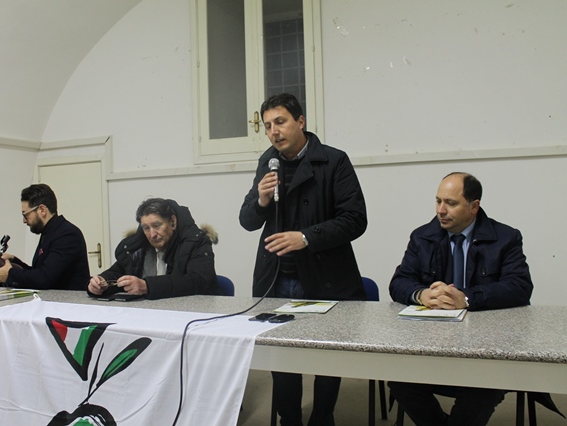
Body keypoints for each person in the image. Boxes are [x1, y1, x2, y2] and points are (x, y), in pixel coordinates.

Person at [239, 93, 367, 426]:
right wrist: (261, 200)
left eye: (280, 122)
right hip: (277, 278)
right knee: (282, 359)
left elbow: (355, 219)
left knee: (326, 356)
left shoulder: (334, 160)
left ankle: (323, 417)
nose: (273, 131)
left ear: (300, 121)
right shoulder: (268, 162)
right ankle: (289, 419)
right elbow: (247, 220)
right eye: (268, 125)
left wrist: (306, 237)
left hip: (325, 277)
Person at [388, 172, 534, 426]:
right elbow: (399, 282)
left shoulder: (506, 238)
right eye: (438, 201)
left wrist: (466, 298)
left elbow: (519, 287)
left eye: (451, 203)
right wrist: (422, 294)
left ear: (474, 206)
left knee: (485, 385)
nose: (441, 210)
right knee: (399, 377)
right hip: (431, 344)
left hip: (487, 347)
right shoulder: (422, 237)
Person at [87, 198, 219, 300]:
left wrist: (147, 286)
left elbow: (197, 281)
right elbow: (118, 272)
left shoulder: (196, 243)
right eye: (146, 228)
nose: (152, 234)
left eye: (157, 226)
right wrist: (101, 283)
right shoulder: (138, 248)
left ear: (173, 222)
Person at [0, 183, 90, 291]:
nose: (24, 220)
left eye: (26, 215)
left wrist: (10, 273)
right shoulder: (49, 233)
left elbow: (44, 279)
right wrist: (13, 260)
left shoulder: (67, 235)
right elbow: (37, 272)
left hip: (69, 300)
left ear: (42, 210)